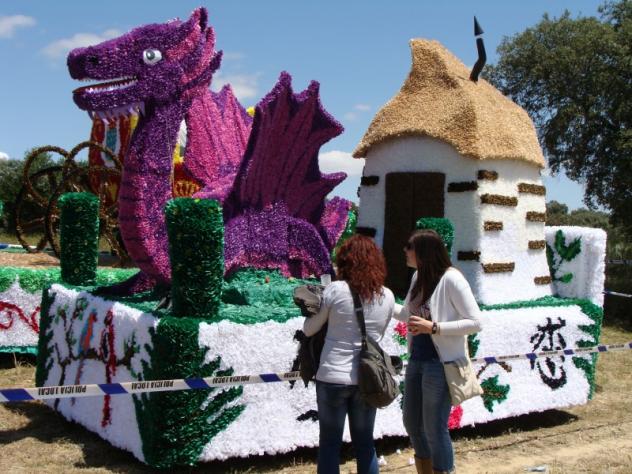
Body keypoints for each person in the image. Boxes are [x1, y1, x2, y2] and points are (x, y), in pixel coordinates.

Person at [304, 234, 395, 474]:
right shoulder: (387, 296)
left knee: (330, 444)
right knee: (365, 444)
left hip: (333, 375)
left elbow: (309, 329)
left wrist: (310, 311)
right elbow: (379, 334)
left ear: (345, 261)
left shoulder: (335, 290)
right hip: (368, 378)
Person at [395, 229, 482, 474]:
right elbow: (407, 314)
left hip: (440, 363)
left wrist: (434, 327)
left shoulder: (452, 279)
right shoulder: (417, 277)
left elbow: (476, 322)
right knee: (412, 423)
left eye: (409, 247)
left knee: (434, 428)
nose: (405, 251)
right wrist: (379, 298)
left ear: (423, 251)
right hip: (417, 359)